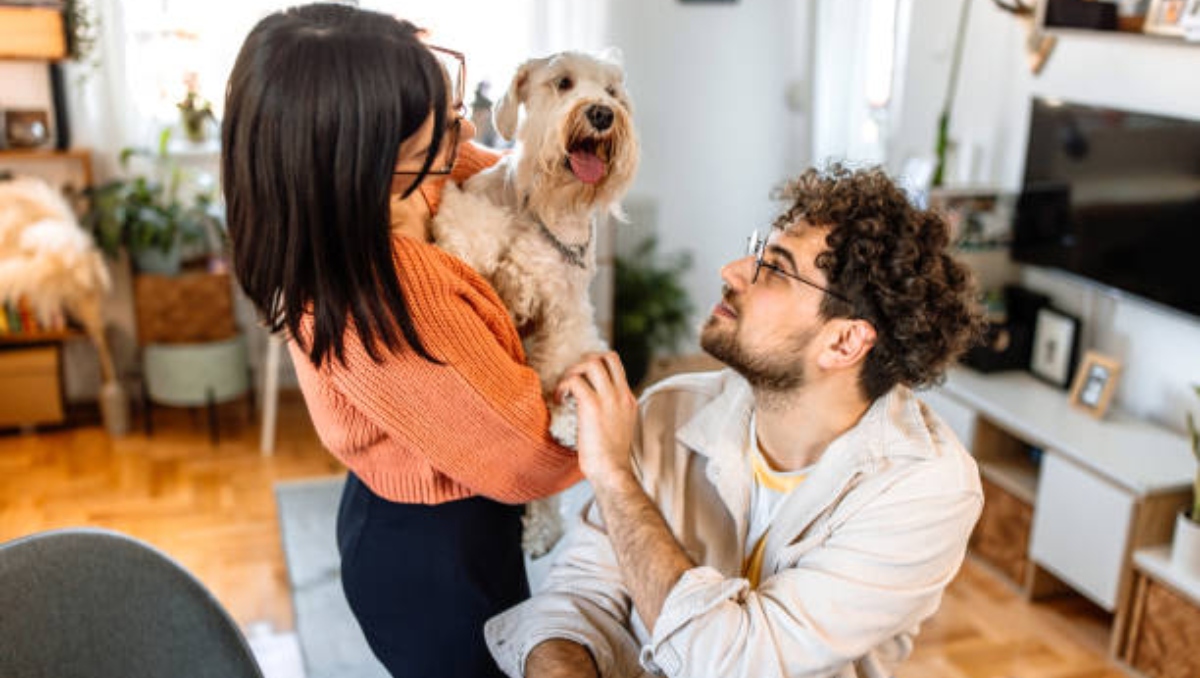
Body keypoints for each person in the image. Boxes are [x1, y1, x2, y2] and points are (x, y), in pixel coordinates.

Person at [487, 164, 987, 677]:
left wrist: (614, 478)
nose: (731, 270)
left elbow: (733, 664)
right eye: (757, 251)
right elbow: (577, 600)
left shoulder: (925, 490)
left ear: (843, 342)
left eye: (775, 269)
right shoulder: (667, 412)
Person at [221, 5, 581, 678]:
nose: (463, 131)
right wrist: (613, 428)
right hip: (437, 551)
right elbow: (530, 453)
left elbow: (504, 175)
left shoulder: (363, 198)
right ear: (365, 153)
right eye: (439, 127)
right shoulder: (390, 294)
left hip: (419, 506)